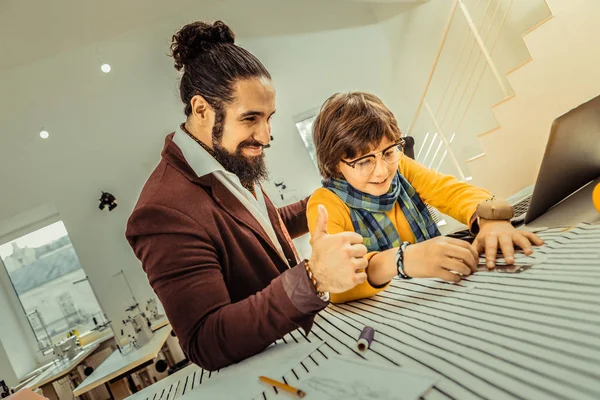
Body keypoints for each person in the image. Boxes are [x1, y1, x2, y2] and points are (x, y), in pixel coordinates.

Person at [126, 21, 369, 371]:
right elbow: (206, 340)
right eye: (251, 118)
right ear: (201, 109)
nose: (266, 136)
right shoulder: (160, 212)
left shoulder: (225, 159)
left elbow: (261, 229)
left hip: (302, 353)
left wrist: (332, 197)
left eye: (269, 118)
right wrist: (313, 279)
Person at [307, 92, 544, 303]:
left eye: (389, 152)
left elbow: (451, 191)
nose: (382, 171)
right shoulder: (325, 203)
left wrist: (491, 219)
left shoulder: (401, 167)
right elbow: (338, 281)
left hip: (434, 295)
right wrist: (402, 260)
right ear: (335, 165)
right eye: (363, 161)